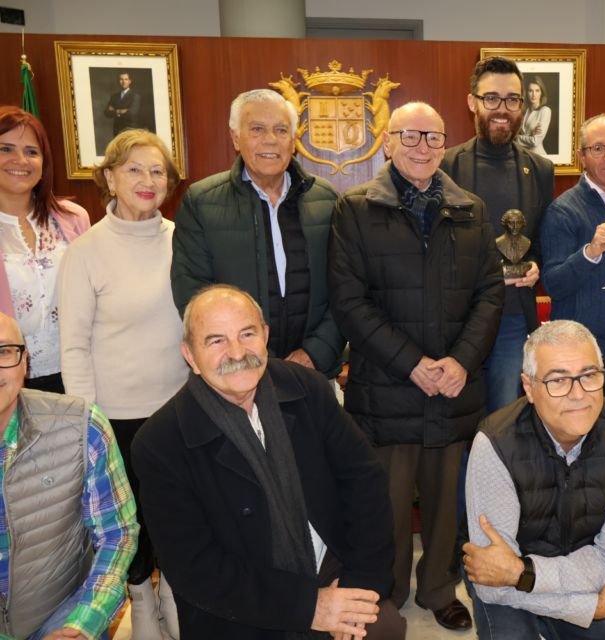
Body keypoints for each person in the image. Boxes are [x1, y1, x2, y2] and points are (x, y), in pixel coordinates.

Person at [131, 285, 404, 640]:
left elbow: (365, 483)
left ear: (265, 337)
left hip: (329, 562)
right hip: (242, 604)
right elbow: (194, 568)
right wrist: (310, 607)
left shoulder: (308, 388)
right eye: (216, 341)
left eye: (247, 334)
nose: (237, 352)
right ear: (190, 356)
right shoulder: (160, 444)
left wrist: (361, 586)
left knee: (382, 626)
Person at [329, 102, 504, 631]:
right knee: (385, 504)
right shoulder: (355, 209)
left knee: (446, 501)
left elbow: (490, 294)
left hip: (453, 386)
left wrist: (461, 361)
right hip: (387, 387)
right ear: (387, 142)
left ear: (445, 145)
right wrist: (412, 365)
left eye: (433, 136)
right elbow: (349, 302)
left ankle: (437, 590)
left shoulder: (471, 209)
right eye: (410, 135)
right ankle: (385, 592)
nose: (423, 146)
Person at [58, 129, 188, 640]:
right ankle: (140, 598)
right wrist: (86, 423)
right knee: (128, 520)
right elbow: (73, 346)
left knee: (177, 511)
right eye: (134, 169)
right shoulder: (86, 251)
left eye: (158, 171)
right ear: (109, 178)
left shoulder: (184, 239)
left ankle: (174, 591)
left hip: (180, 407)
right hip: (115, 415)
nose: (147, 179)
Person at [460, 320, 605, 639]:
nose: (578, 395)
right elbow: (492, 583)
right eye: (558, 380)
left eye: (589, 375)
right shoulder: (495, 445)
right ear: (528, 387)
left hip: (546, 573)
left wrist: (523, 573)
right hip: (534, 583)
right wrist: (595, 607)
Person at [441, 55, 555, 524]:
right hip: (456, 323)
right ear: (472, 102)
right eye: (492, 98)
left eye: (511, 99)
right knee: (458, 432)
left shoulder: (539, 169)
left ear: (522, 105)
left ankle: (497, 529)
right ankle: (460, 531)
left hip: (511, 323)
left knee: (503, 431)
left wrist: (536, 267)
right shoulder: (446, 164)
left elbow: (541, 240)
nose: (502, 108)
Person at [171, 88, 345, 379]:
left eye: (281, 130)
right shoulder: (200, 202)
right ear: (235, 138)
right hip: (237, 372)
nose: (270, 139)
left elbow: (346, 287)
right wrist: (260, 361)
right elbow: (193, 294)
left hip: (315, 373)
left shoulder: (326, 198)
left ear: (294, 139)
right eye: (257, 129)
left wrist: (315, 353)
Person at [0, 311, 138, 640]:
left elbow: (117, 535)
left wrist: (80, 626)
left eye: (4, 351)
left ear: (25, 363)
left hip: (57, 612)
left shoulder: (81, 426)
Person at [540, 113, 605, 400]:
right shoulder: (563, 210)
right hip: (584, 353)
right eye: (598, 148)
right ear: (582, 156)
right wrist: (590, 253)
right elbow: (553, 285)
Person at [0, 106, 91, 395]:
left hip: (76, 375)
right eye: (5, 149)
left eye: (31, 151)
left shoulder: (74, 218)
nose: (20, 160)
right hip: (8, 382)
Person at [516, 76, 552, 157]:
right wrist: (530, 135)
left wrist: (516, 138)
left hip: (538, 157)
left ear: (541, 92)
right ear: (526, 92)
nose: (534, 94)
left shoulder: (545, 111)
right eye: (530, 91)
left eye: (537, 90)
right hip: (523, 156)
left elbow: (535, 141)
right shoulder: (524, 111)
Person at [104, 72, 141, 136]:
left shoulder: (135, 96)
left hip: (130, 130)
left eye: (126, 79)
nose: (124, 82)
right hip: (117, 130)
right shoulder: (114, 96)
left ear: (129, 81)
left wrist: (115, 111)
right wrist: (119, 111)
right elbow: (106, 113)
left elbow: (130, 114)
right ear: (118, 81)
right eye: (121, 79)